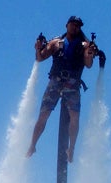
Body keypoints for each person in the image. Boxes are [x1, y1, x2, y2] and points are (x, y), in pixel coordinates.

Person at [26, 15, 96, 163]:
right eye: (73, 24)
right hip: (55, 82)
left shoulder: (85, 45)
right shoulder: (56, 43)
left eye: (78, 25)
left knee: (74, 117)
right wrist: (38, 48)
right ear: (67, 25)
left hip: (72, 84)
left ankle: (71, 149)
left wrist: (90, 54)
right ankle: (32, 145)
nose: (75, 27)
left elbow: (88, 64)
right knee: (43, 115)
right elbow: (40, 58)